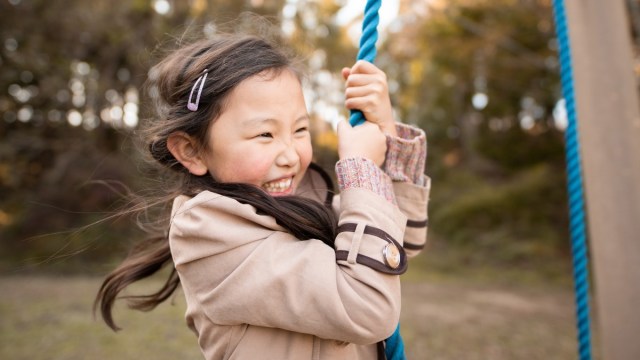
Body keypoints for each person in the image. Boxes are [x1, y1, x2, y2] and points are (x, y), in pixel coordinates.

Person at [95, 32, 430, 359]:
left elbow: (402, 242)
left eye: (300, 129)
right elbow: (366, 308)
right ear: (192, 151)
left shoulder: (310, 207)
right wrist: (361, 173)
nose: (290, 155)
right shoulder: (206, 231)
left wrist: (387, 133)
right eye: (265, 134)